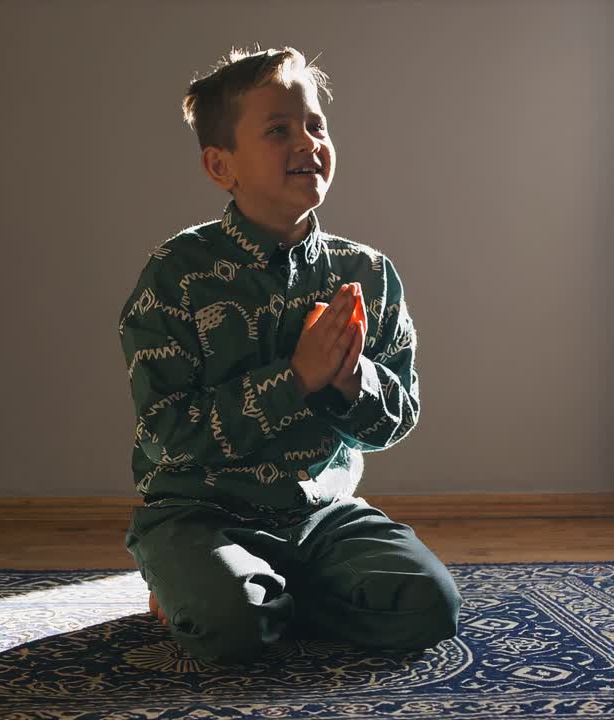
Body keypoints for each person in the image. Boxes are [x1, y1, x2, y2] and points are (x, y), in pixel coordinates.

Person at [117, 46, 460, 664]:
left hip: (321, 514)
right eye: (279, 130)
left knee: (430, 605)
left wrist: (353, 380)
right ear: (221, 166)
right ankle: (209, 591)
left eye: (315, 125)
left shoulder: (369, 275)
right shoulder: (175, 276)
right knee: (231, 630)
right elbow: (168, 435)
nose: (307, 141)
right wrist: (295, 379)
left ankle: (264, 599)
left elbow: (398, 419)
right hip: (200, 513)